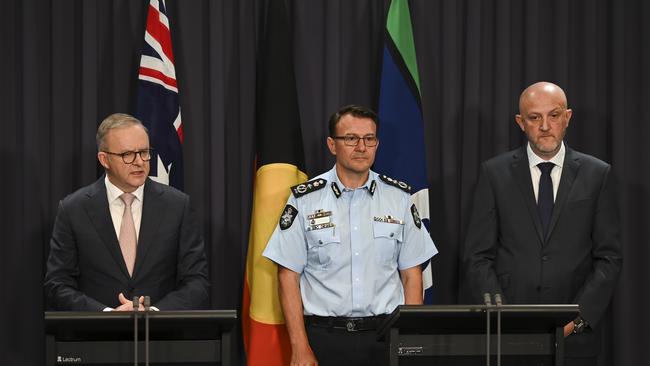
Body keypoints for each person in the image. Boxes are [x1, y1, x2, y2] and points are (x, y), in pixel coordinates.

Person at [263, 105, 437, 366]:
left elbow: (412, 275)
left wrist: (407, 340)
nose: (361, 147)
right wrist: (299, 347)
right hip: (324, 339)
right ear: (332, 145)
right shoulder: (305, 200)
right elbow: (287, 276)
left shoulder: (399, 199)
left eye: (369, 139)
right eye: (351, 139)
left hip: (385, 338)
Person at [463, 82, 622, 364]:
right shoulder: (494, 174)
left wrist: (579, 318)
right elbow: (478, 256)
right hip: (508, 337)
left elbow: (609, 257)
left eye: (554, 115)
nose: (545, 126)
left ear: (567, 118)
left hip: (575, 338)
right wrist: (503, 316)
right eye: (535, 118)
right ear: (520, 122)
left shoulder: (597, 174)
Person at [44, 113, 209, 311]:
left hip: (161, 337)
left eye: (144, 152)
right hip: (96, 338)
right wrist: (106, 315)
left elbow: (197, 283)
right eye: (127, 155)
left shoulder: (178, 206)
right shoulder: (74, 209)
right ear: (104, 159)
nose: (139, 162)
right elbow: (57, 284)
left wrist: (154, 313)